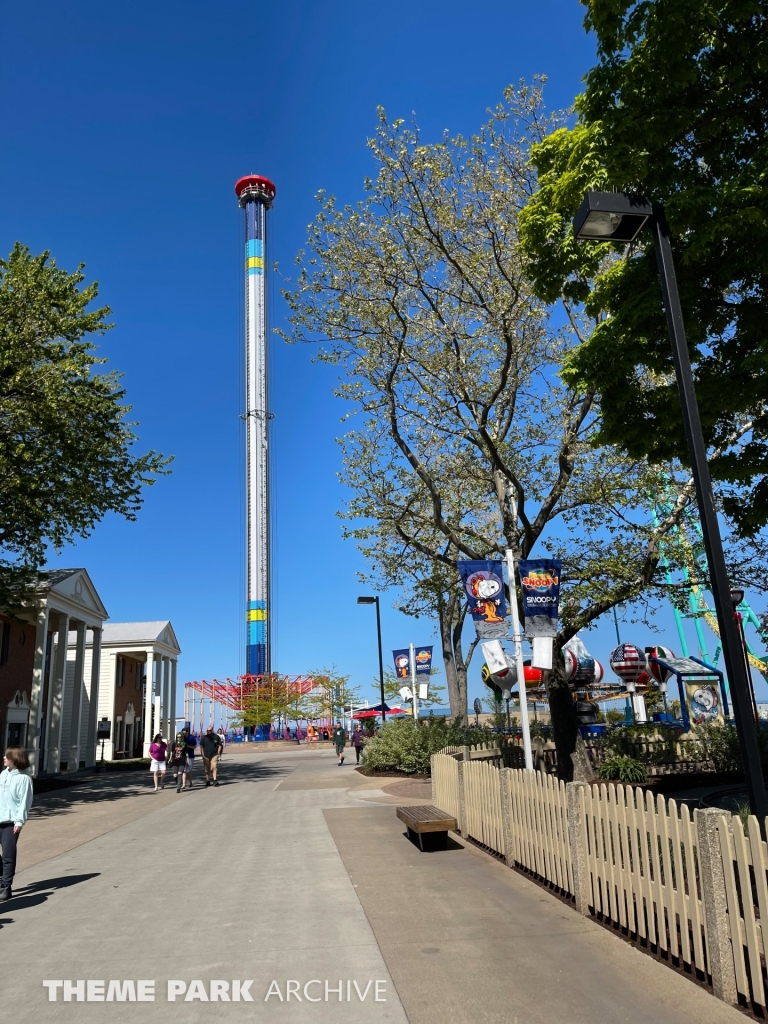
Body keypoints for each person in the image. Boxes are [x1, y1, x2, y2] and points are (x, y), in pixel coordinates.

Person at [0, 747, 33, 901]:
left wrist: (19, 821)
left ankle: (6, 886)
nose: (4, 758)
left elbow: (24, 803)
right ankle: (2, 877)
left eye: (7, 756)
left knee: (8, 855)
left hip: (11, 822)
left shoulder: (24, 779)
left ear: (15, 759)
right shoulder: (3, 774)